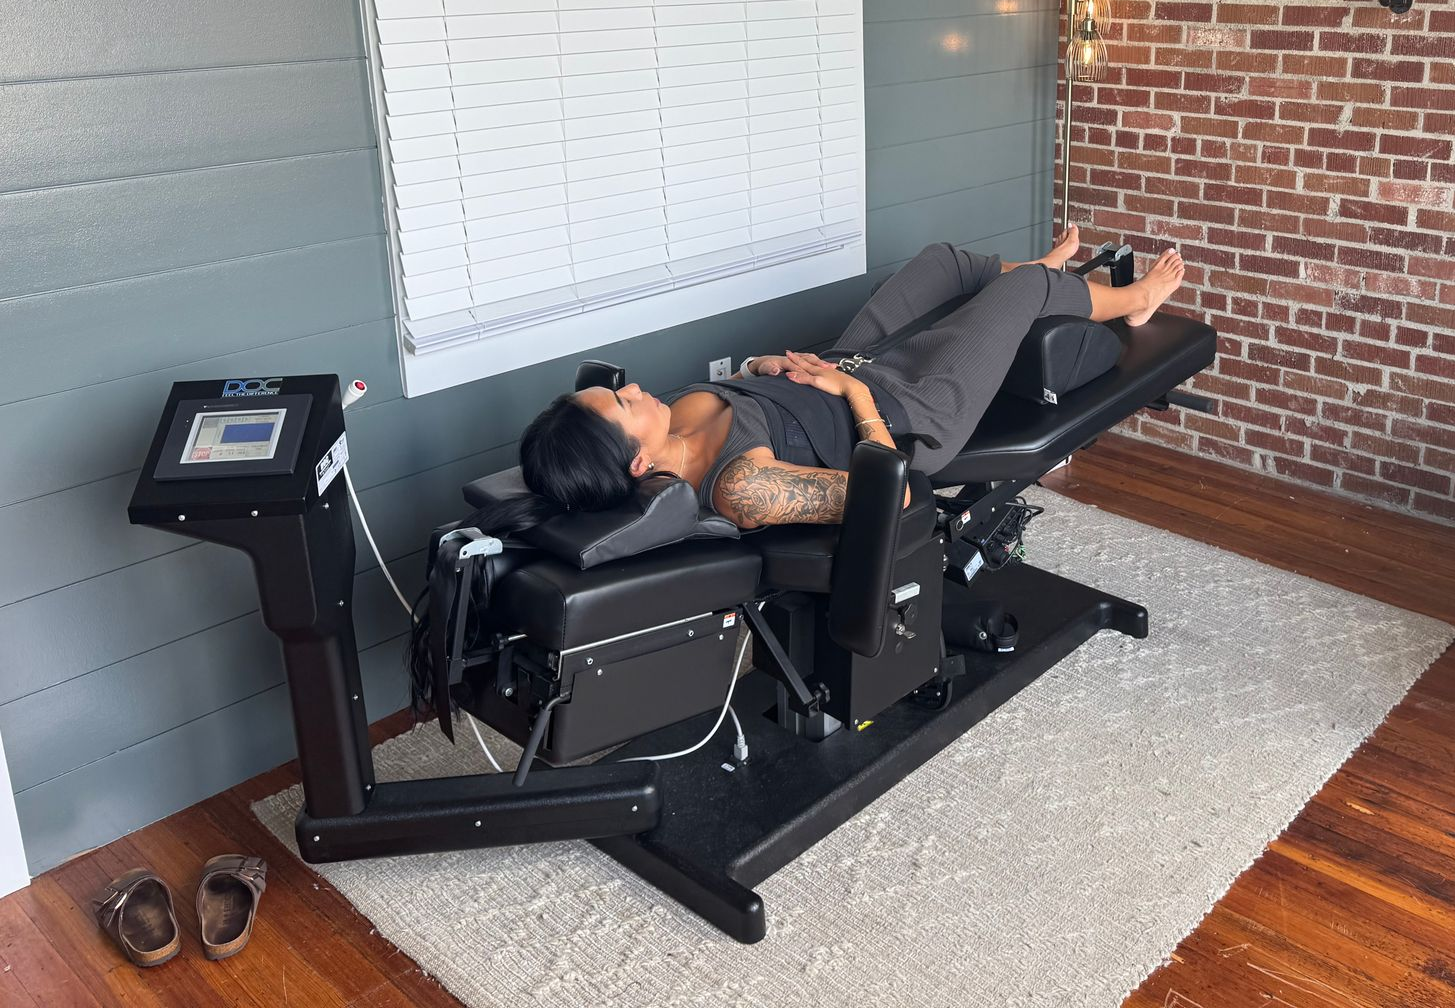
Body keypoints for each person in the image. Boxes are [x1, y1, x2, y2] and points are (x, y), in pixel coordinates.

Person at [485, 228, 1185, 532]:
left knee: (939, 262)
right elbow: (894, 494)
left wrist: (764, 366)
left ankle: (1041, 280)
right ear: (637, 463)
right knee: (1022, 291)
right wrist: (855, 396)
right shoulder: (740, 488)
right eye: (622, 402)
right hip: (910, 416)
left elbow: (757, 394)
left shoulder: (675, 416)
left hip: (848, 366)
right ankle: (1133, 300)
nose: (634, 388)